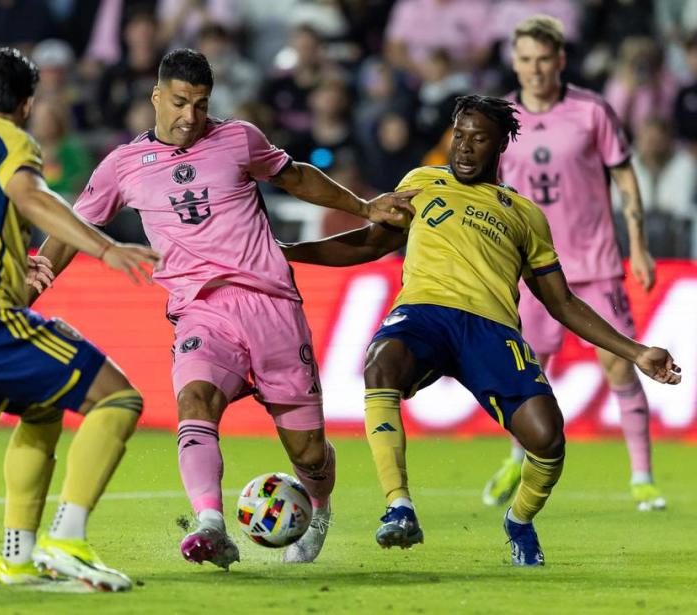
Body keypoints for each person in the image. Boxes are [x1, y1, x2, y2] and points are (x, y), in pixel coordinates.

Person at [38, 48, 415, 569]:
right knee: (195, 400)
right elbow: (76, 229)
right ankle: (211, 525)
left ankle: (321, 507)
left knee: (307, 453)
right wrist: (36, 278)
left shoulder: (238, 138)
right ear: (155, 96)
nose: (189, 116)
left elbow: (296, 176)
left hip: (272, 306)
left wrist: (363, 206)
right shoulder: (123, 165)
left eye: (199, 103)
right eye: (178, 102)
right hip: (200, 310)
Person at [284, 95, 681, 566]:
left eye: (479, 138)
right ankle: (398, 506)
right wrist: (287, 250)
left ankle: (518, 520)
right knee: (381, 364)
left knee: (548, 438)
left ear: (500, 148)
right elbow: (368, 245)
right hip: (425, 313)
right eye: (460, 134)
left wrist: (635, 352)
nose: (465, 148)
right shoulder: (421, 183)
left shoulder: (525, 214)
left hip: (492, 331)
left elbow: (563, 303)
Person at [0, 47, 159, 591]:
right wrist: (105, 247)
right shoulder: (10, 140)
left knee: (43, 411)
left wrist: (15, 276)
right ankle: (67, 538)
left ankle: (17, 559)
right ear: (26, 104)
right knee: (118, 398)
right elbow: (28, 193)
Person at [482, 15, 667, 512]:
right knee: (526, 374)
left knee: (621, 363)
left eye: (544, 60)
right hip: (532, 270)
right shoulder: (502, 120)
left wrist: (639, 245)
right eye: (526, 60)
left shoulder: (591, 111)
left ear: (560, 61)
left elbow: (625, 178)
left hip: (596, 264)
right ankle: (514, 458)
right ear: (515, 63)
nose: (535, 70)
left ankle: (643, 477)